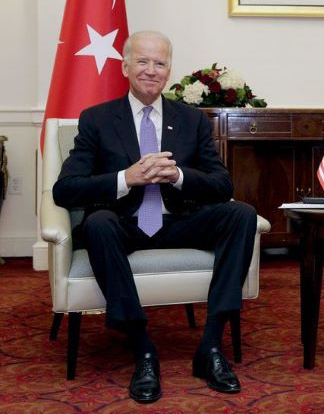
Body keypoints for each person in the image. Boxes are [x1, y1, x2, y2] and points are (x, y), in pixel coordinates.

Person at [53, 31, 258, 403]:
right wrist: (124, 179)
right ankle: (143, 347)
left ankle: (211, 346)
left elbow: (221, 184)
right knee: (97, 224)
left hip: (178, 221)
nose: (151, 70)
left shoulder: (191, 120)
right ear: (125, 66)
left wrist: (178, 176)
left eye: (159, 63)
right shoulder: (97, 120)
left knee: (241, 214)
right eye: (142, 61)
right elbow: (65, 189)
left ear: (168, 71)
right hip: (124, 225)